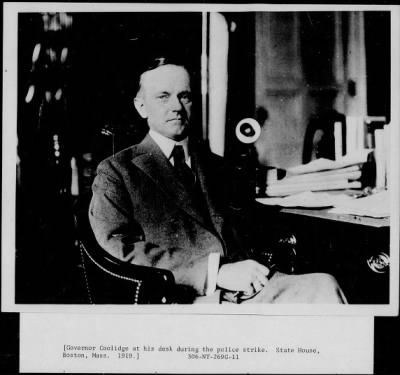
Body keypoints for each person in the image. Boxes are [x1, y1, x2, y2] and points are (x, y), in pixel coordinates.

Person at [89, 55, 346, 304]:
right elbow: (118, 248)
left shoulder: (218, 166)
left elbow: (251, 226)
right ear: (141, 106)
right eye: (163, 97)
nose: (177, 107)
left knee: (325, 285)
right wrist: (215, 272)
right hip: (186, 296)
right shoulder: (117, 171)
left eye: (184, 96)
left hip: (250, 286)